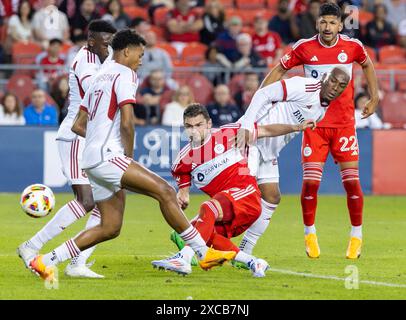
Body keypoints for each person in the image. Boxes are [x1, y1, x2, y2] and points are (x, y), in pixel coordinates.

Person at [28, 29, 236, 283]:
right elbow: (128, 121)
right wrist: (125, 153)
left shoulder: (98, 76)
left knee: (110, 227)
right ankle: (203, 252)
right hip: (108, 156)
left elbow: (78, 124)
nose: (142, 59)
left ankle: (44, 260)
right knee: (165, 191)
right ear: (126, 50)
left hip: (92, 159)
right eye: (140, 53)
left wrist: (100, 139)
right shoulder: (126, 73)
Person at [239, 3, 379, 260]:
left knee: (352, 183)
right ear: (317, 24)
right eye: (323, 22)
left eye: (332, 23)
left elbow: (368, 65)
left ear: (340, 24)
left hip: (344, 124)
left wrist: (374, 96)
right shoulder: (304, 47)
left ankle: (356, 236)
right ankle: (309, 233)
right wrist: (261, 96)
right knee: (311, 184)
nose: (327, 27)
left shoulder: (353, 47)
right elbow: (280, 69)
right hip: (314, 125)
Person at [152, 103, 316, 276]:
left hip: (247, 195)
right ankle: (254, 262)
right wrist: (183, 193)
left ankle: (184, 259)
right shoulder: (182, 160)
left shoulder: (229, 132)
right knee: (198, 234)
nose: (194, 131)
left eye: (198, 125)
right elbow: (182, 179)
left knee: (207, 208)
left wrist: (297, 127)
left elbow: (266, 130)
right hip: (227, 213)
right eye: (189, 126)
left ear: (208, 124)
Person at [17, 20, 117, 279]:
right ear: (92, 41)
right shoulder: (84, 58)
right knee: (86, 201)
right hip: (75, 136)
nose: (109, 49)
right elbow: (94, 90)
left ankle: (78, 262)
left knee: (104, 202)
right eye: (106, 44)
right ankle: (31, 246)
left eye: (112, 44)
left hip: (92, 138)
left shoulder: (106, 60)